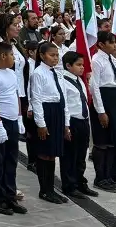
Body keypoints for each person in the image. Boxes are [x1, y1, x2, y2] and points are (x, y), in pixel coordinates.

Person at [0, 41, 26, 216]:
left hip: (13, 121)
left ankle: (10, 196)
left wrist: (19, 117)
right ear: (3, 56)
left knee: (11, 161)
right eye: (12, 55)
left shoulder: (11, 73)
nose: (13, 58)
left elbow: (15, 94)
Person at [89, 30, 116, 193]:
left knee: (115, 140)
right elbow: (95, 87)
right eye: (112, 42)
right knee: (103, 142)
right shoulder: (96, 60)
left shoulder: (110, 60)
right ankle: (101, 177)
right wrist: (101, 111)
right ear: (101, 44)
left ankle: (111, 175)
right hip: (105, 99)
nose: (115, 45)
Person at [28, 42, 67, 204]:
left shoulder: (57, 73)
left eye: (57, 55)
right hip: (46, 112)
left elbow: (62, 96)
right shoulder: (38, 73)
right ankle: (45, 190)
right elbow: (36, 99)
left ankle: (51, 188)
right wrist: (41, 124)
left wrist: (66, 121)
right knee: (45, 152)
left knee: (53, 153)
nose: (55, 58)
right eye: (52, 55)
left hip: (57, 111)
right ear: (42, 55)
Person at [58, 51, 97, 199]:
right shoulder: (63, 81)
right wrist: (66, 125)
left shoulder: (79, 79)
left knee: (81, 154)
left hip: (83, 120)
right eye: (78, 65)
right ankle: (69, 185)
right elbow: (65, 104)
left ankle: (80, 182)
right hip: (72, 120)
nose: (82, 67)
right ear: (68, 65)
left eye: (83, 64)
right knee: (70, 155)